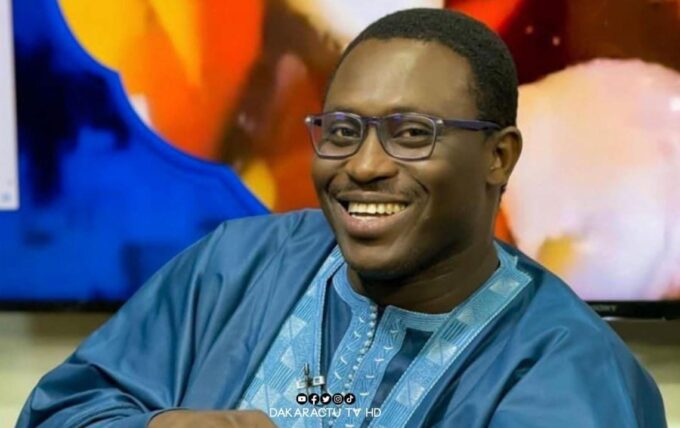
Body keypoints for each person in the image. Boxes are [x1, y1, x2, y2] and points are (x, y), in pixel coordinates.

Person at [18, 8, 666, 428]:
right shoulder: (236, 265)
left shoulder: (573, 373)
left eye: (411, 133)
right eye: (342, 130)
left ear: (499, 157)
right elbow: (61, 410)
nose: (363, 165)